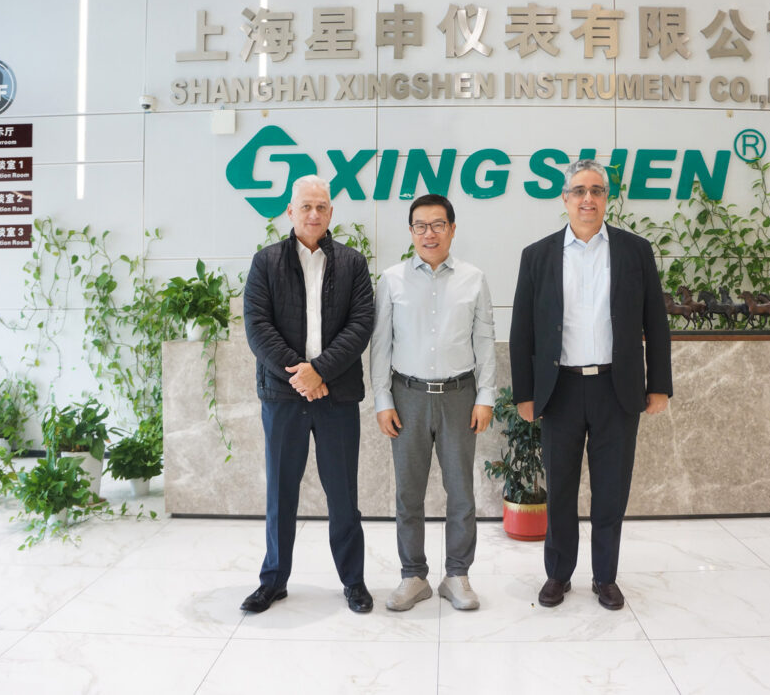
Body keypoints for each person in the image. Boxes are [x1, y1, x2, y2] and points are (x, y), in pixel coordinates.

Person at [509, 160, 672, 611]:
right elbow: (522, 330)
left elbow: (655, 322)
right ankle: (558, 574)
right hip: (559, 389)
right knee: (560, 489)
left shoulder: (634, 251)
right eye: (579, 190)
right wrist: (525, 393)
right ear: (564, 199)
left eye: (596, 190)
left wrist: (659, 384)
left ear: (607, 198)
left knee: (611, 490)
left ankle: (605, 577)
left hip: (616, 389)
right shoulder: (537, 255)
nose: (588, 199)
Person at [241, 174, 375, 614]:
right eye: (305, 206)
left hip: (337, 397)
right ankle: (273, 580)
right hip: (283, 397)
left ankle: (353, 582)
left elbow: (361, 325)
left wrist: (320, 371)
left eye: (321, 207)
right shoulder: (265, 262)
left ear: (331, 212)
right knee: (281, 493)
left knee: (344, 495)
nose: (313, 214)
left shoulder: (353, 263)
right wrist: (300, 376)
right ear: (290, 211)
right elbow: (257, 327)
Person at [370, 193, 496, 611]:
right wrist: (383, 400)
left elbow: (484, 340)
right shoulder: (391, 280)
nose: (429, 233)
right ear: (411, 232)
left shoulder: (474, 279)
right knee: (409, 493)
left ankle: (457, 575)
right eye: (420, 226)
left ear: (452, 229)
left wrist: (486, 396)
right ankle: (413, 576)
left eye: (438, 224)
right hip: (406, 397)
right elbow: (381, 345)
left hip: (460, 396)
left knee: (461, 493)